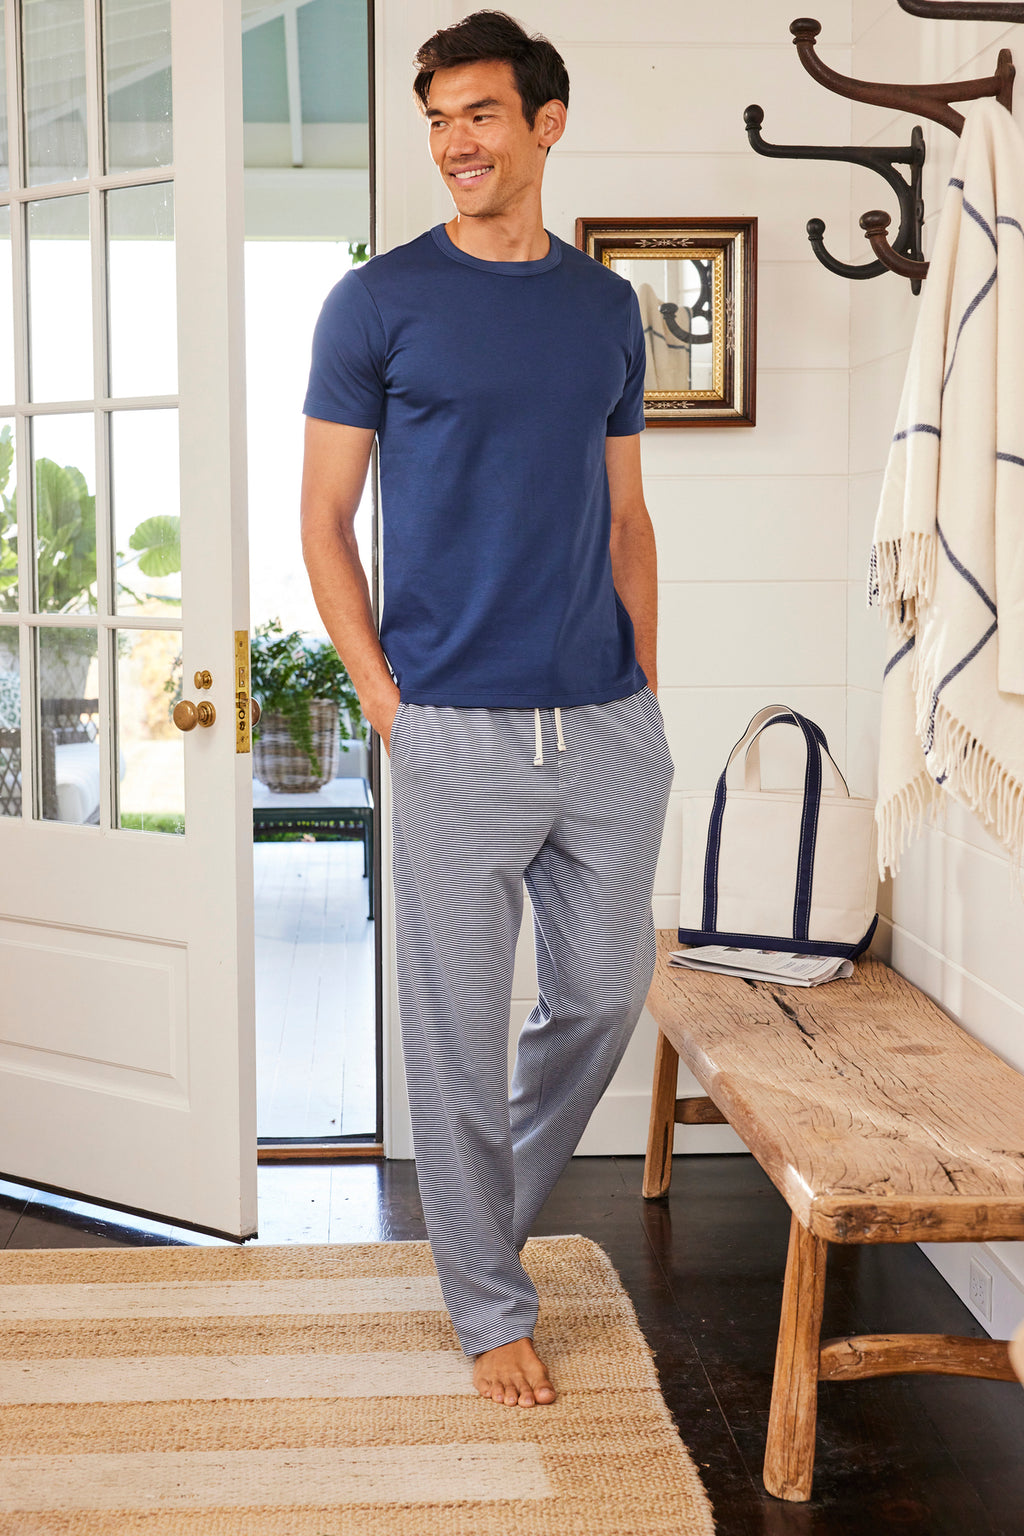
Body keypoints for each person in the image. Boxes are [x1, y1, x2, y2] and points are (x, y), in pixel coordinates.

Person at [300, 10, 674, 1410]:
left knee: (604, 995)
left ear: (545, 124)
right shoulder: (376, 303)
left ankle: (475, 1227)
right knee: (456, 1033)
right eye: (438, 120)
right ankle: (485, 1301)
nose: (455, 143)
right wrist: (386, 703)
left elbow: (628, 515)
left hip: (607, 723)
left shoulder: (603, 309)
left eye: (481, 115)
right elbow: (324, 523)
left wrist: (648, 685)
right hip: (452, 724)